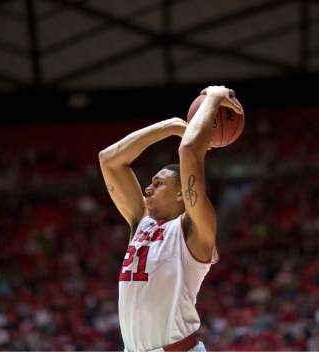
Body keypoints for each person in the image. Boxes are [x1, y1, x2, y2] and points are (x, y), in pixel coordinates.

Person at [98, 86, 243, 352]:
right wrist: (167, 126)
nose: (147, 188)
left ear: (181, 194)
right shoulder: (140, 221)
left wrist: (213, 98)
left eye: (158, 183)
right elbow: (109, 160)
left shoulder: (194, 228)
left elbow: (189, 150)